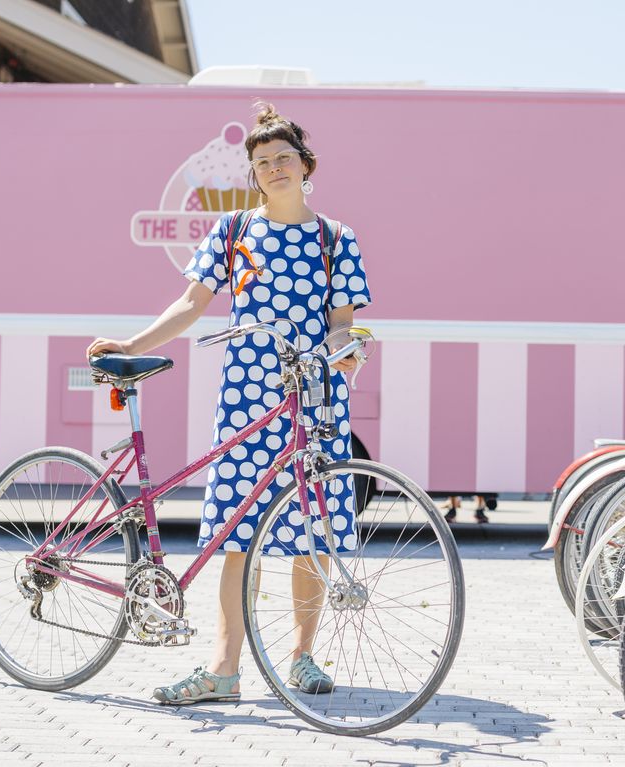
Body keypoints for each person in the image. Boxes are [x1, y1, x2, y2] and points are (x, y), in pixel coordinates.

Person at [86, 103, 371, 704]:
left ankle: (302, 658)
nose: (273, 169)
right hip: (247, 394)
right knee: (237, 535)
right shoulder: (235, 231)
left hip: (315, 396)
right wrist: (133, 343)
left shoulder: (335, 239)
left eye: (283, 159)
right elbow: (192, 304)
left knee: (309, 531)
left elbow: (342, 323)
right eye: (262, 162)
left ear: (306, 164)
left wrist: (347, 352)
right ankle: (223, 668)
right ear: (253, 173)